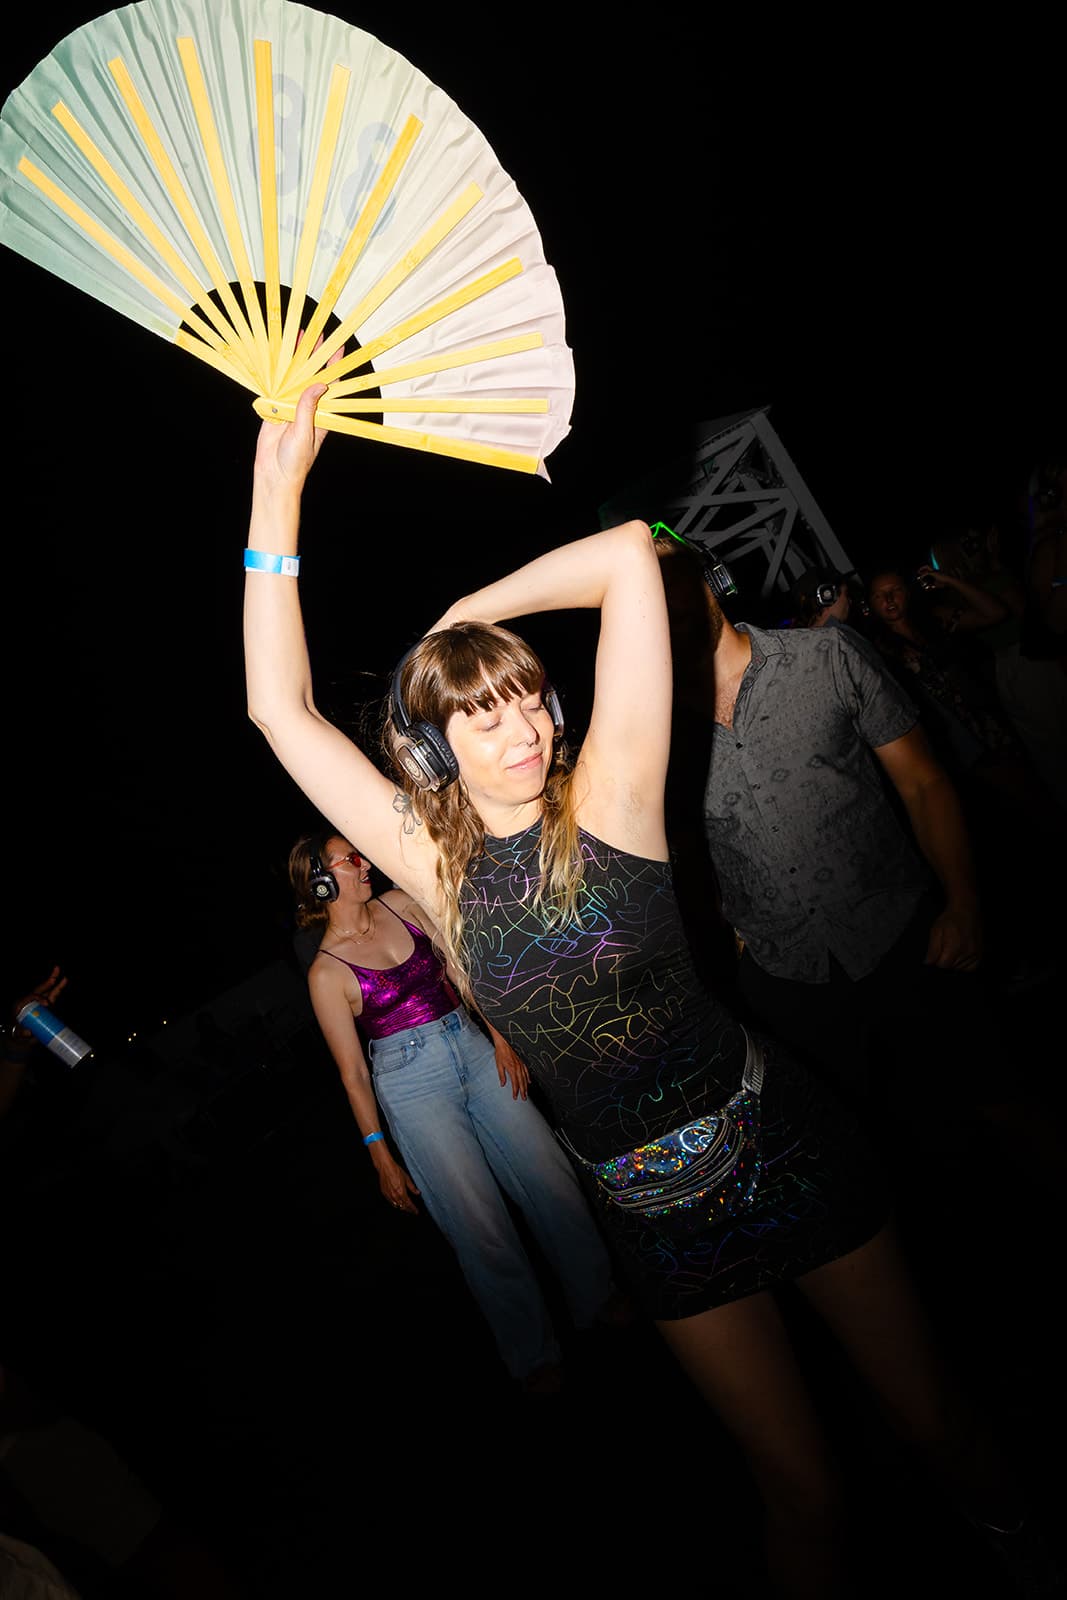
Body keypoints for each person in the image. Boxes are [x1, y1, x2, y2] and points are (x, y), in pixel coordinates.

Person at [238, 382, 1053, 1599]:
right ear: (433, 751)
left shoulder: (611, 798)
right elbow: (276, 705)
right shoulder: (431, 868)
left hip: (778, 1144)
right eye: (479, 716)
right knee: (801, 1491)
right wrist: (279, 483)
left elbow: (629, 552)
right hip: (652, 1214)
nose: (518, 728)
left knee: (933, 1417)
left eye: (524, 696)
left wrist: (469, 615)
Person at [288, 830, 624, 1396]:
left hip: (470, 1045)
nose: (364, 864)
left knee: (550, 1175)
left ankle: (598, 1295)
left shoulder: (400, 904)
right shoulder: (326, 973)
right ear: (321, 883)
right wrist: (380, 1156)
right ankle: (532, 1353)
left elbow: (463, 971)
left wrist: (499, 1037)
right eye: (350, 860)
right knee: (478, 1223)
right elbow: (353, 1075)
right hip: (411, 1085)